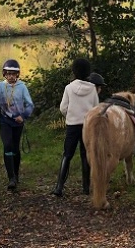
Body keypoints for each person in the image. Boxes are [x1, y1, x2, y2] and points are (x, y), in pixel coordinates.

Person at [53, 58, 99, 197]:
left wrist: (71, 115)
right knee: (85, 155)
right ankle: (86, 188)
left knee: (67, 154)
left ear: (74, 71)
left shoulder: (69, 88)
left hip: (72, 126)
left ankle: (59, 187)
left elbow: (63, 108)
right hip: (87, 126)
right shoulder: (92, 88)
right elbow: (96, 109)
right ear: (87, 72)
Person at [0, 59, 34, 191]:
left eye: (13, 74)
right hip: (5, 121)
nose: (10, 76)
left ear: (17, 75)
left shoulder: (22, 87)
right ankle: (11, 178)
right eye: (8, 74)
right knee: (7, 145)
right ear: (4, 74)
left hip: (18, 122)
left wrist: (24, 115)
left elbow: (30, 105)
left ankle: (16, 173)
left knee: (15, 148)